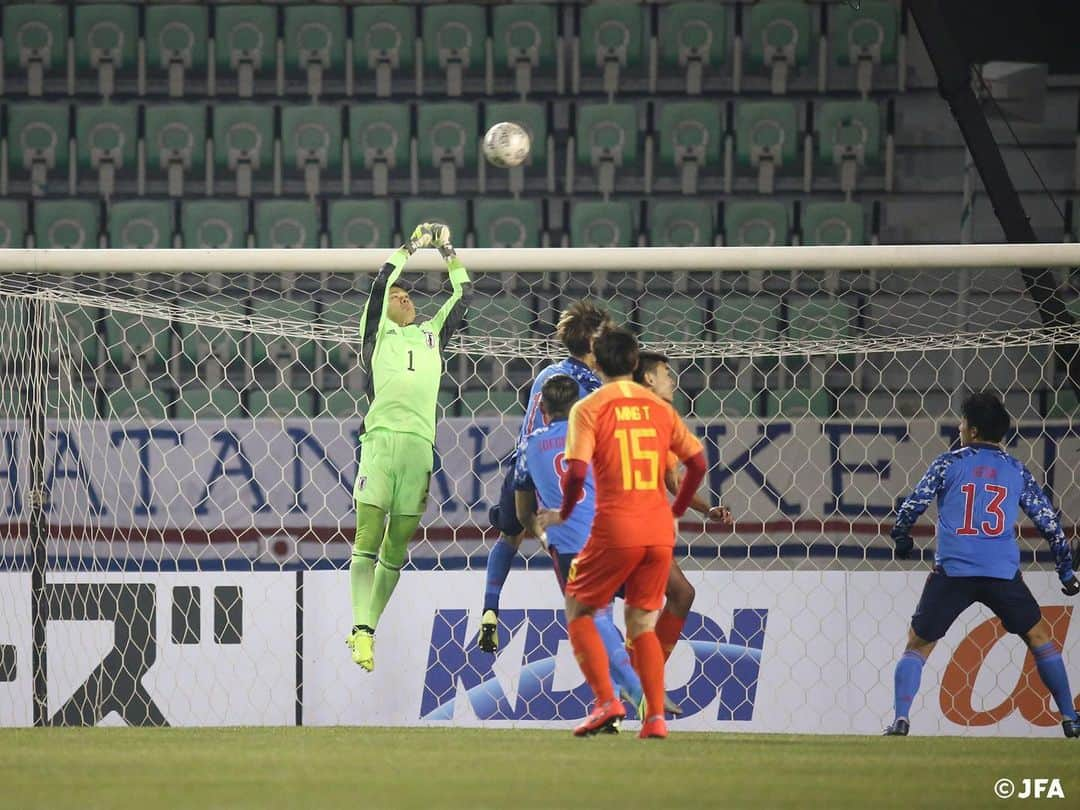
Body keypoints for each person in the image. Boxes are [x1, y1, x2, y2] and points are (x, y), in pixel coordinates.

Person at [538, 327, 707, 739]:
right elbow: (698, 464)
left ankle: (607, 701)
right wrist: (679, 509)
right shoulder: (661, 410)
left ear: (596, 360)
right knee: (641, 623)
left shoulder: (588, 408)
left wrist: (562, 512)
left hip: (615, 526)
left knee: (580, 608)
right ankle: (654, 720)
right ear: (636, 364)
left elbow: (576, 472)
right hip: (658, 531)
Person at [884, 391, 1080, 737]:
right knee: (1039, 638)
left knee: (917, 644)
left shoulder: (948, 463)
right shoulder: (1016, 470)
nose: (959, 427)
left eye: (962, 422)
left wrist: (902, 537)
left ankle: (901, 719)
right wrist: (1065, 572)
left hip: (954, 572)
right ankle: (1069, 718)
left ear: (972, 430)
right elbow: (1049, 522)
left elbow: (911, 507)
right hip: (1001, 574)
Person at [346, 223, 471, 672]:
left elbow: (463, 295)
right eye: (397, 296)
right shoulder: (379, 333)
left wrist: (448, 251)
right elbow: (381, 283)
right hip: (379, 443)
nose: (403, 297)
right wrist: (412, 246)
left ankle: (366, 629)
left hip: (420, 447)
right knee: (366, 540)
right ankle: (361, 631)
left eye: (407, 295)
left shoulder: (434, 333)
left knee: (397, 548)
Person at [477, 300, 612, 653]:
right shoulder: (592, 389)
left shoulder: (544, 375)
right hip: (559, 479)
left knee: (509, 536)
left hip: (523, 465)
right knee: (577, 564)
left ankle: (490, 608)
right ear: (595, 344)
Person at [513, 375, 643, 718]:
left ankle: (634, 690)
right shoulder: (597, 436)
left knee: (590, 617)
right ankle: (609, 703)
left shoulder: (529, 446)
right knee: (607, 612)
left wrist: (542, 536)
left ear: (542, 408)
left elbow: (523, 510)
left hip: (569, 542)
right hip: (611, 536)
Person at [633, 351, 732, 673]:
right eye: (665, 373)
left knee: (681, 594)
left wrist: (708, 509)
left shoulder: (656, 418)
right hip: (625, 526)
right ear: (649, 379)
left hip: (641, 527)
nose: (672, 380)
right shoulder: (643, 416)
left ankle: (642, 681)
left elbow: (672, 481)